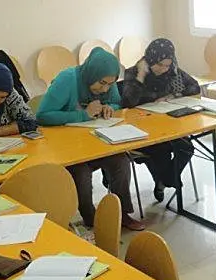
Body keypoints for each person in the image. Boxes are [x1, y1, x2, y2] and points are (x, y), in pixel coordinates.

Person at [37, 47, 144, 230]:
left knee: (121, 162)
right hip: (69, 147)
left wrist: (108, 107)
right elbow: (43, 115)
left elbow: (117, 102)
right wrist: (83, 116)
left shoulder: (106, 84)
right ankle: (90, 217)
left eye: (110, 84)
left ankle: (122, 213)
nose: (104, 89)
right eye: (102, 83)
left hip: (97, 141)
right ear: (91, 73)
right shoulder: (67, 79)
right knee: (81, 173)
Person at [122, 38, 200, 202]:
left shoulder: (173, 71)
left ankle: (164, 181)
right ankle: (168, 180)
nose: (163, 69)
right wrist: (141, 76)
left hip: (168, 125)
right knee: (161, 152)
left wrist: (171, 96)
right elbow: (128, 102)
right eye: (159, 65)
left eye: (167, 65)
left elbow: (194, 87)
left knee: (187, 148)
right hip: (141, 128)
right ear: (150, 60)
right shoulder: (134, 72)